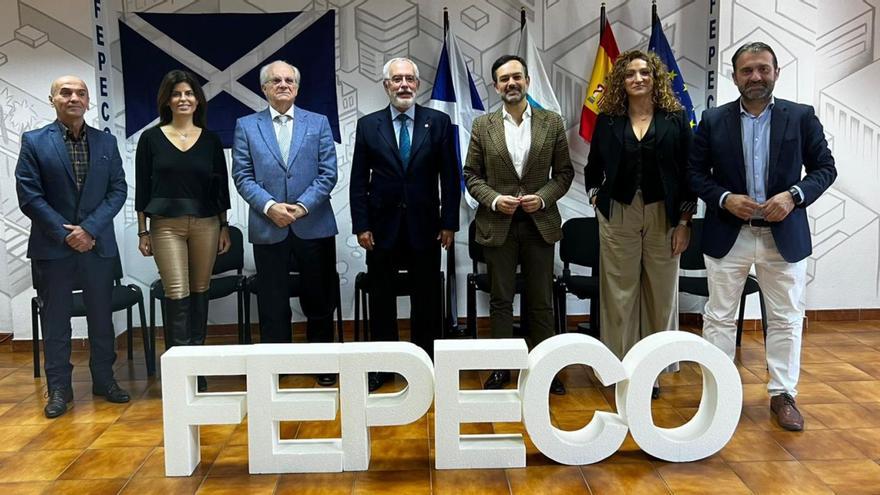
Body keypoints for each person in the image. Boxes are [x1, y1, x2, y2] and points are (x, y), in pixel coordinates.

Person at [688, 42, 836, 431]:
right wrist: (722, 197)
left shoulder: (801, 117)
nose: (756, 77)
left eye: (763, 69)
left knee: (786, 318)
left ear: (776, 72)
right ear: (734, 75)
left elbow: (825, 168)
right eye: (747, 70)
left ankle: (783, 394)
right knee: (718, 316)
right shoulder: (713, 119)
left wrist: (794, 196)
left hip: (783, 235)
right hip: (728, 234)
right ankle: (718, 392)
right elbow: (694, 173)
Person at [584, 50, 696, 400]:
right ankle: (620, 368)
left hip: (664, 213)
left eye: (645, 72)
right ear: (622, 80)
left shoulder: (676, 118)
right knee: (619, 293)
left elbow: (689, 172)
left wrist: (684, 221)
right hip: (618, 211)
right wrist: (595, 199)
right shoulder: (609, 119)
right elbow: (593, 166)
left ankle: (653, 371)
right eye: (630, 73)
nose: (638, 78)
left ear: (655, 77)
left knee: (660, 293)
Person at [15, 75, 129, 418]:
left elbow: (118, 190)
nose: (74, 98)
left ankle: (104, 379)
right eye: (66, 92)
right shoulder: (34, 141)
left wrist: (89, 229)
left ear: (88, 101)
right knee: (56, 322)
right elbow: (29, 195)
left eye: (81, 93)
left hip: (96, 245)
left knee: (101, 317)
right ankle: (60, 389)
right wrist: (66, 233)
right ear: (53, 99)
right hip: (53, 248)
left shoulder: (105, 143)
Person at [464, 55, 574, 395]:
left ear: (527, 81)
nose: (511, 83)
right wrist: (495, 200)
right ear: (496, 86)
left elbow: (565, 173)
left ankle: (545, 370)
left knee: (541, 299)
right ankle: (501, 367)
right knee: (500, 300)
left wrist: (542, 197)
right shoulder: (483, 126)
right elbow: (471, 175)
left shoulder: (551, 122)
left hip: (539, 224)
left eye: (516, 77)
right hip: (497, 224)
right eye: (503, 79)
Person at [350, 57, 460, 391]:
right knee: (382, 299)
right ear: (386, 85)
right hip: (381, 229)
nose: (404, 85)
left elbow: (450, 178)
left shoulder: (437, 122)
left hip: (426, 226)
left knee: (426, 299)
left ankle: (425, 365)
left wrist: (449, 223)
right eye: (397, 79)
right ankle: (384, 367)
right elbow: (358, 181)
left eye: (410, 79)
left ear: (418, 84)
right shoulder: (369, 125)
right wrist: (361, 225)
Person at [232, 61, 339, 386]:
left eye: (288, 80)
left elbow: (328, 172)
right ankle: (276, 365)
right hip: (269, 226)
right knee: (273, 303)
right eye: (275, 80)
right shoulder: (246, 125)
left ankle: (321, 362)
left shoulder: (318, 123)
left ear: (297, 86)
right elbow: (242, 175)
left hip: (314, 224)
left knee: (319, 300)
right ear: (264, 88)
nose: (282, 84)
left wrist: (302, 207)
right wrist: (270, 207)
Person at [135, 70, 231, 392]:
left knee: (200, 291)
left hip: (207, 223)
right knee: (177, 292)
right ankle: (178, 373)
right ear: (167, 100)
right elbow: (142, 188)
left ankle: (197, 368)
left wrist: (224, 226)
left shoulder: (212, 139)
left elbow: (221, 188)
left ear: (197, 100)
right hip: (165, 226)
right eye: (177, 94)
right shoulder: (150, 138)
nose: (184, 99)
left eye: (189, 93)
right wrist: (142, 231)